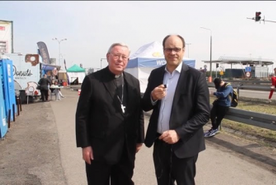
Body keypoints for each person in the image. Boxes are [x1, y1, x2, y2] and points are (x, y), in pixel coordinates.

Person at [142, 34, 210, 185]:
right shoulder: (156, 74)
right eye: (169, 49)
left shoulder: (196, 77)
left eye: (177, 49)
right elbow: (145, 105)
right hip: (160, 142)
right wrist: (153, 96)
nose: (173, 53)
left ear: (183, 51)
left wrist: (178, 132)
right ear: (164, 51)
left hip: (185, 144)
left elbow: (204, 114)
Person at [75, 43, 144, 185]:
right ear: (108, 57)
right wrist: (85, 145)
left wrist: (139, 139)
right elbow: (82, 115)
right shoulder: (93, 80)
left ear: (128, 60)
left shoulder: (133, 82)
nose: (120, 60)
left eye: (124, 57)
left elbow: (138, 112)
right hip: (99, 149)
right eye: (116, 55)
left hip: (126, 148)